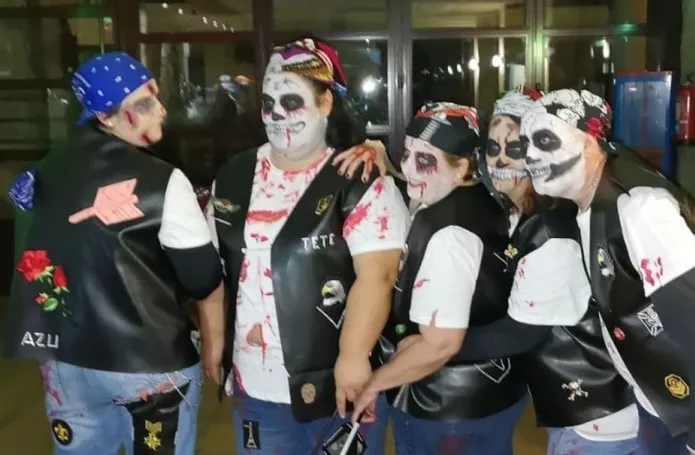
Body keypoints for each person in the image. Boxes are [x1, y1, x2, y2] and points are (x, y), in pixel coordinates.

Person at [4, 52, 225, 455]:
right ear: (106, 117)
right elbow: (202, 277)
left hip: (65, 359)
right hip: (150, 365)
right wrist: (214, 342)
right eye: (145, 103)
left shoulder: (45, 171)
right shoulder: (162, 180)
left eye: (156, 97)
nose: (161, 109)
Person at [207, 38, 409, 454]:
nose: (277, 114)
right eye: (268, 103)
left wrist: (353, 356)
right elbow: (218, 269)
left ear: (326, 103)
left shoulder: (356, 177)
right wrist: (215, 338)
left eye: (291, 101)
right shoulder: (232, 176)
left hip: (337, 383)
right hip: (255, 382)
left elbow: (379, 277)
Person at [521, 88, 695, 455]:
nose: (530, 155)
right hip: (660, 407)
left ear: (589, 140)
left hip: (694, 417)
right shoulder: (595, 198)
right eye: (525, 143)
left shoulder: (639, 209)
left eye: (544, 140)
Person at [468, 89, 640, 454]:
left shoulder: (551, 225)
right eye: (492, 147)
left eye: (517, 147)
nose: (501, 159)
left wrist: (439, 346)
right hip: (581, 406)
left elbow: (520, 334)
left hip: (597, 414)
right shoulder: (519, 213)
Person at [351, 102, 529, 455]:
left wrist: (374, 384)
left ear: (461, 167)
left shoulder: (447, 235)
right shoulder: (485, 197)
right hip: (489, 395)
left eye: (424, 160)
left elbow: (440, 344)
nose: (408, 168)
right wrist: (385, 161)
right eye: (406, 154)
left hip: (447, 407)